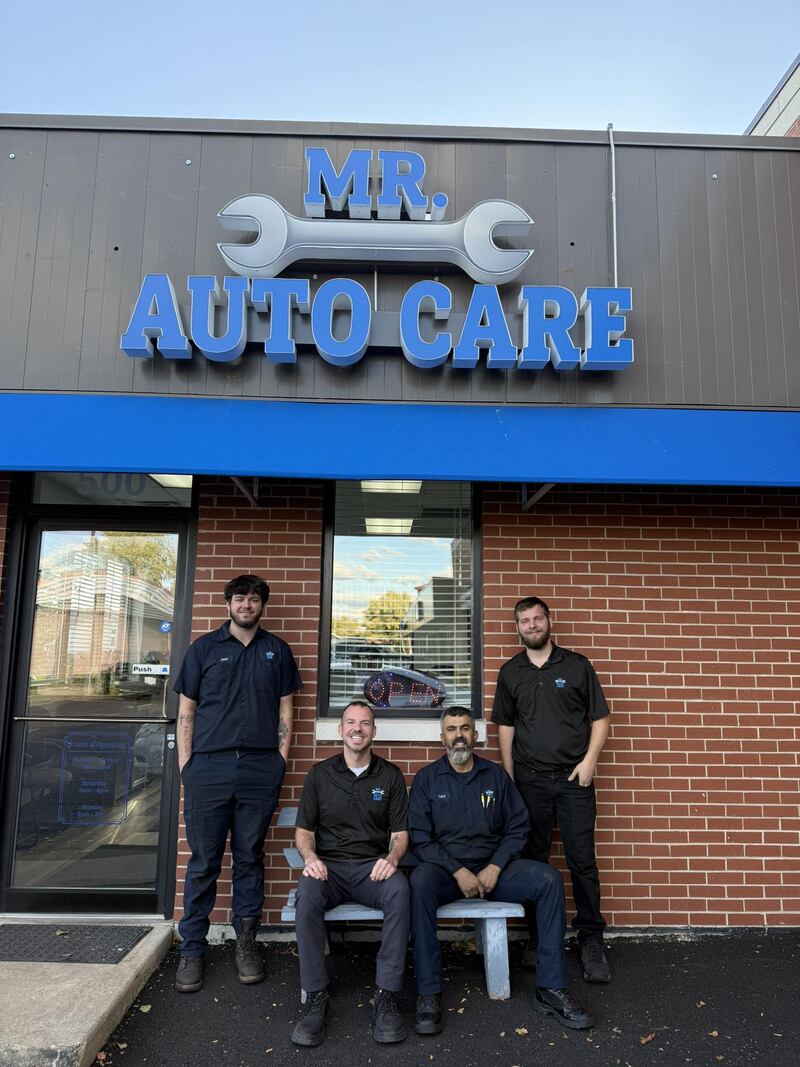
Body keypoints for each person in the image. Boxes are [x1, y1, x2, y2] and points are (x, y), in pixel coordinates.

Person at [408, 706, 594, 1035]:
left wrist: (496, 865)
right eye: (451, 729)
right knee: (419, 881)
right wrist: (457, 871)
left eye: (465, 728)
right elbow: (422, 839)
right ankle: (428, 991)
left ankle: (550, 988)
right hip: (448, 874)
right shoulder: (426, 779)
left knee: (549, 880)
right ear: (442, 738)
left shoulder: (495, 777)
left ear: (475, 736)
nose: (459, 735)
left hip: (495, 869)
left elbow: (518, 827)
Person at [172, 574, 301, 993]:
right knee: (204, 861)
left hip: (260, 770)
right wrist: (187, 767)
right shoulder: (203, 650)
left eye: (254, 599)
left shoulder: (276, 651)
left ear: (263, 605)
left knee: (249, 856)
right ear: (228, 603)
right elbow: (186, 712)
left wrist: (279, 761)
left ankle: (246, 942)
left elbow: (286, 711)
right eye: (241, 598)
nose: (247, 605)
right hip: (208, 769)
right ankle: (192, 949)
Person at [492, 596, 612, 983]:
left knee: (582, 861)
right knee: (533, 859)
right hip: (530, 780)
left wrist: (590, 761)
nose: (531, 625)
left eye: (537, 618)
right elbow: (505, 727)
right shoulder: (511, 672)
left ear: (549, 621)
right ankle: (538, 937)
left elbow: (600, 718)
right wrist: (510, 777)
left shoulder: (576, 666)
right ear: (517, 628)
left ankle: (591, 939)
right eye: (524, 621)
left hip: (574, 779)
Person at [290, 701, 410, 1047]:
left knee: (400, 892)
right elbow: (304, 832)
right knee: (307, 895)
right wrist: (310, 858)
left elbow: (400, 835)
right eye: (351, 723)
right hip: (329, 870)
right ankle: (315, 998)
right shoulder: (319, 775)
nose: (358, 729)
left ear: (374, 731)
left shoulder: (390, 776)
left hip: (371, 870)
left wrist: (392, 858)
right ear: (340, 730)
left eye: (366, 723)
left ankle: (386, 996)